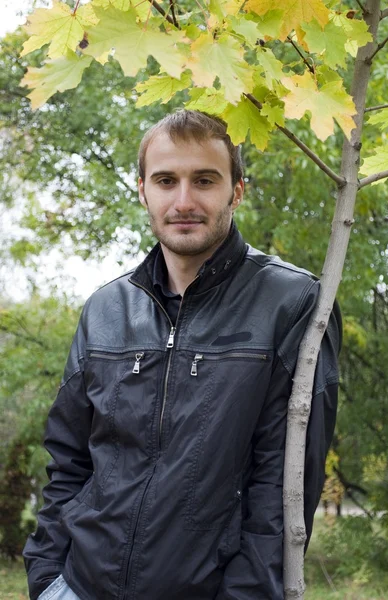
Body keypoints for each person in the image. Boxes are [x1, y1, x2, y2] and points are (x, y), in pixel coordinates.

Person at [23, 110, 341, 600]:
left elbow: (282, 489)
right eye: (166, 180)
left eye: (205, 180)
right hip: (78, 587)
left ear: (236, 190)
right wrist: (46, 577)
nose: (184, 200)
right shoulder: (106, 309)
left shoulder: (292, 302)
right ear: (142, 189)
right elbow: (68, 461)